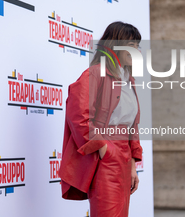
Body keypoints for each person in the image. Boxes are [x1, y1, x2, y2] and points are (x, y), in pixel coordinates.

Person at [59, 21, 143, 217]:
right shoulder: (94, 74)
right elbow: (78, 115)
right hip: (105, 155)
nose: (136, 51)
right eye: (131, 46)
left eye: (137, 46)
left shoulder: (129, 81)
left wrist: (132, 165)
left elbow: (133, 126)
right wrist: (103, 147)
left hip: (124, 156)